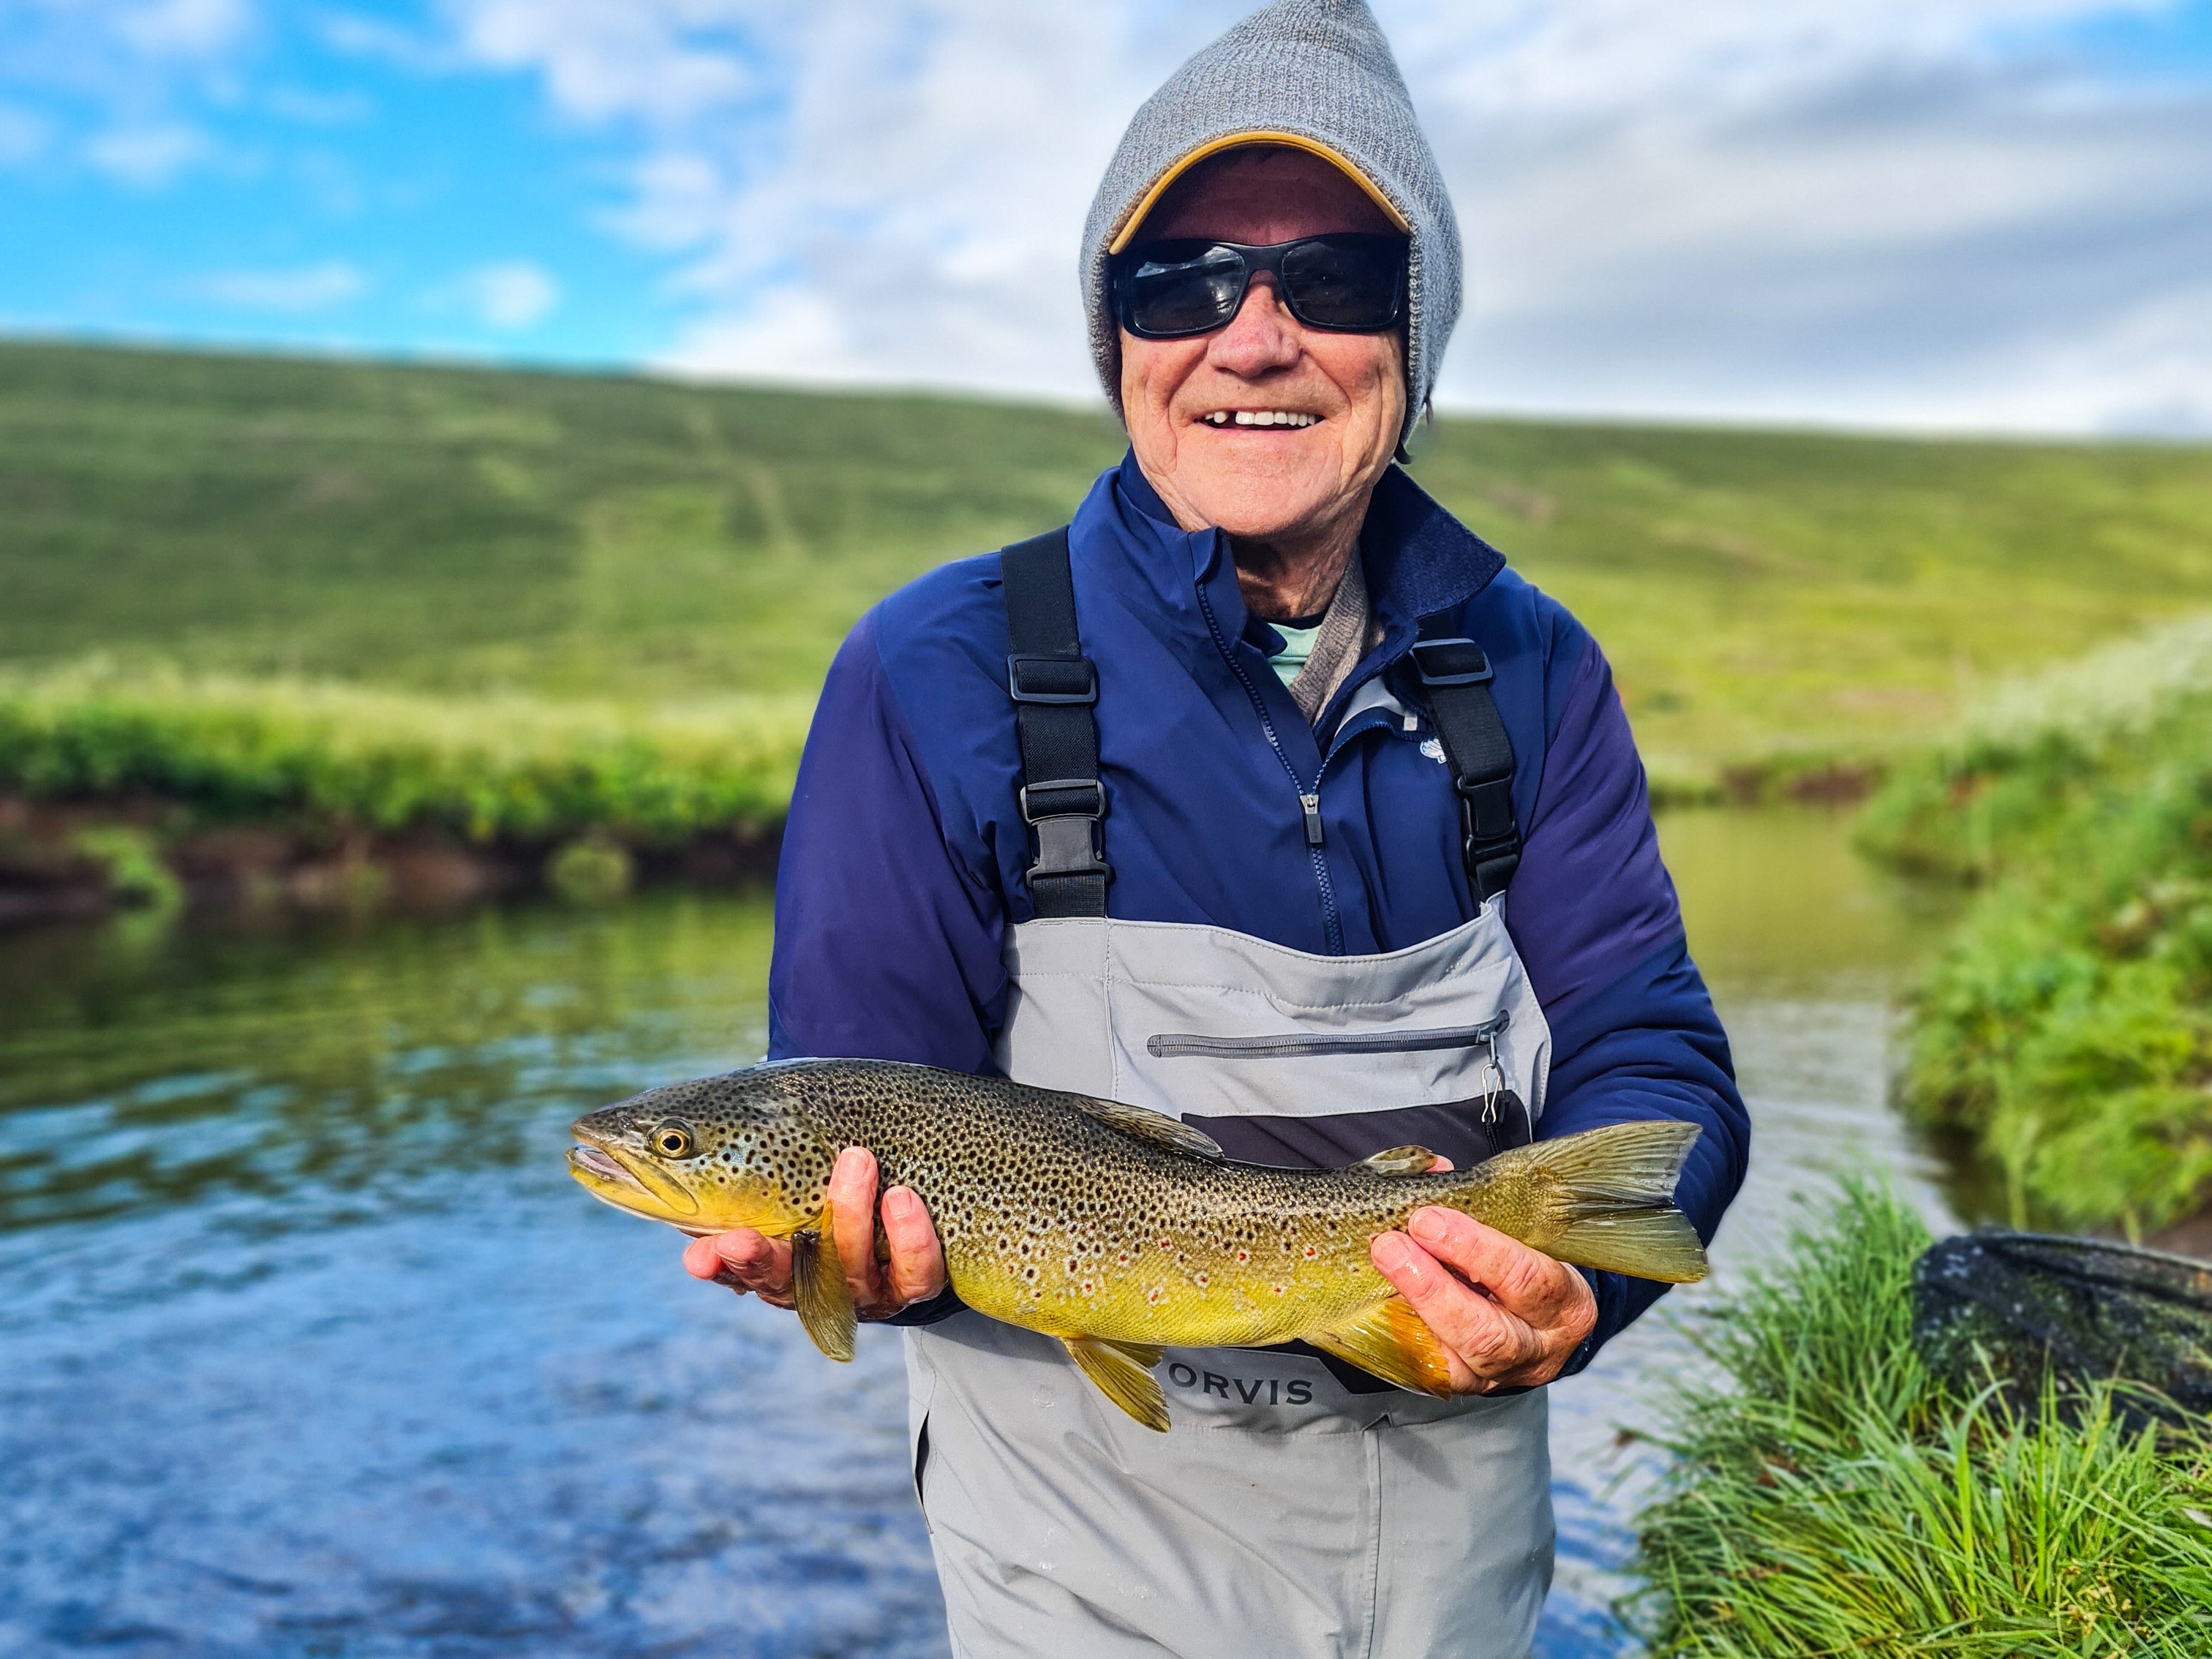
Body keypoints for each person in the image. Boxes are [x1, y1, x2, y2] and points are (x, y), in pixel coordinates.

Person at [684, 1, 1748, 1653]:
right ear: (1116, 339)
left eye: (1329, 278)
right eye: (1178, 282)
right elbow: (861, 1105)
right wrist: (855, 1260)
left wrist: (1579, 1292)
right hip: (1086, 1576)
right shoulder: (935, 670)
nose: (1252, 339)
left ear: (1416, 330)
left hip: (1458, 1570)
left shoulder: (1536, 668)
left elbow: (1652, 1053)